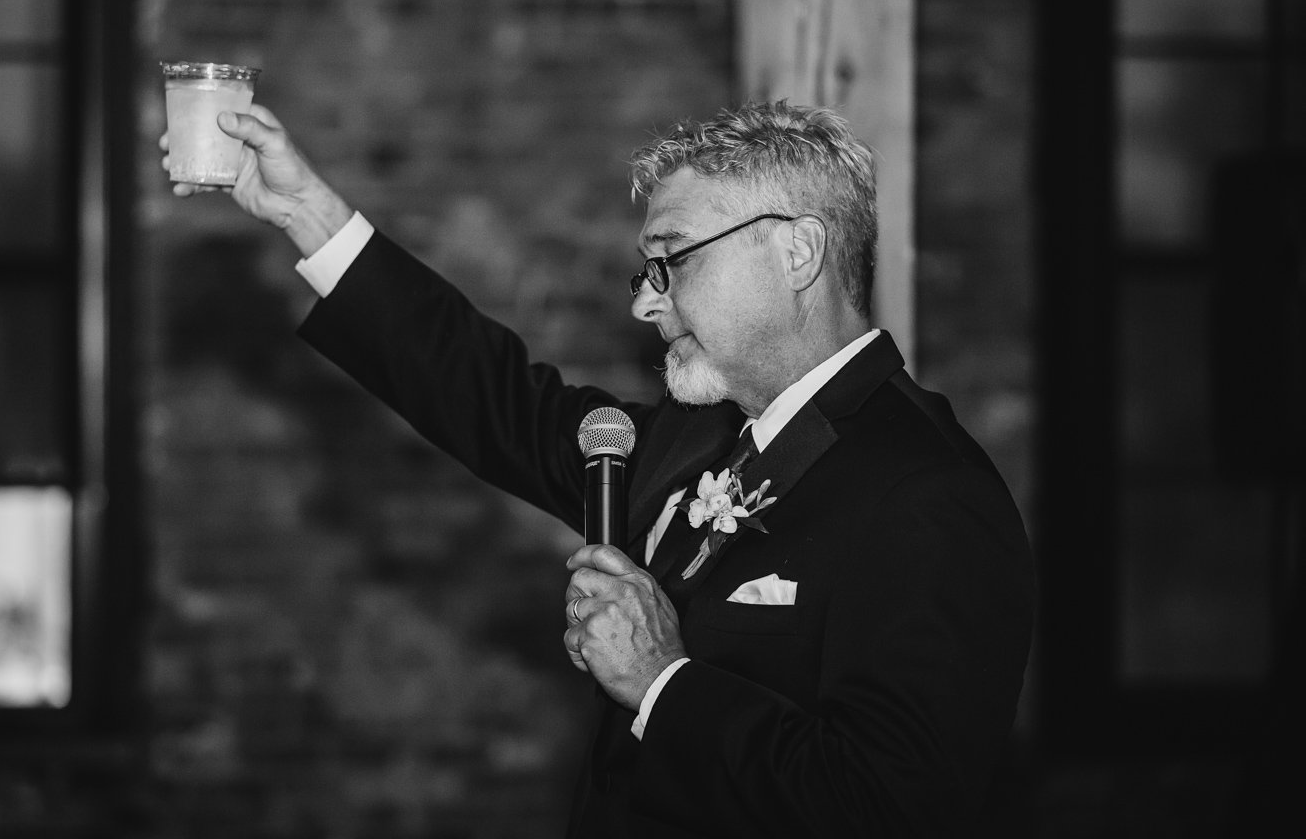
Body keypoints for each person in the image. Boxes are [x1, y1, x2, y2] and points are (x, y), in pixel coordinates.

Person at [163, 100, 1035, 838]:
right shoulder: (687, 440)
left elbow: (887, 806)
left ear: (797, 252)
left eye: (674, 259)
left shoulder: (928, 496)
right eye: (646, 269)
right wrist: (305, 214)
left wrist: (663, 679)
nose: (648, 301)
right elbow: (493, 398)